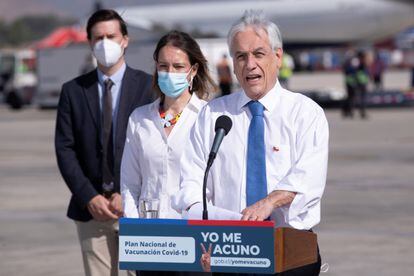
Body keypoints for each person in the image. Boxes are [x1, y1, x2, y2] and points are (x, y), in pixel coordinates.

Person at [173, 10, 328, 276]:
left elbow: (308, 177)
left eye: (259, 53)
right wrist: (208, 222)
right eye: (241, 56)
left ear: (277, 57)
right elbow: (191, 180)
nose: (250, 64)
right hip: (230, 248)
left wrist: (269, 203)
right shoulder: (213, 115)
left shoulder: (305, 113)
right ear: (233, 63)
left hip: (289, 247)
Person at [55, 9, 153, 276]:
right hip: (91, 211)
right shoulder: (73, 91)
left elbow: (155, 148)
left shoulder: (148, 87)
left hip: (134, 207)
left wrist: (129, 192)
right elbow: (65, 149)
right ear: (89, 43)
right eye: (98, 38)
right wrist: (89, 196)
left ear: (125, 40)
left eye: (111, 36)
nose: (105, 43)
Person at [121, 30, 217, 275]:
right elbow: (130, 184)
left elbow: (217, 184)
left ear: (193, 70)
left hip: (194, 240)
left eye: (178, 66)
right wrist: (134, 233)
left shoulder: (209, 117)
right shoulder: (139, 118)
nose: (170, 73)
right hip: (151, 240)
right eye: (164, 66)